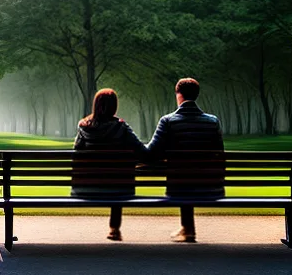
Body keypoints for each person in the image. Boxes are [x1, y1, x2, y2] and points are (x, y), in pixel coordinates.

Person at [145, 77, 225, 243]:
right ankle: (187, 228)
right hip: (211, 187)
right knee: (190, 172)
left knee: (183, 175)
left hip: (179, 187)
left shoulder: (168, 121)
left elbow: (151, 153)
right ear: (196, 95)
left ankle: (187, 228)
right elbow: (219, 154)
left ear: (178, 95)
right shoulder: (213, 122)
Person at [73, 88, 147, 241]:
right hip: (119, 189)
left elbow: (77, 152)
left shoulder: (84, 127)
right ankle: (114, 229)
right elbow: (142, 151)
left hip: (86, 189)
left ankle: (114, 229)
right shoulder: (121, 127)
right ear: (114, 106)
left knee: (113, 178)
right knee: (116, 179)